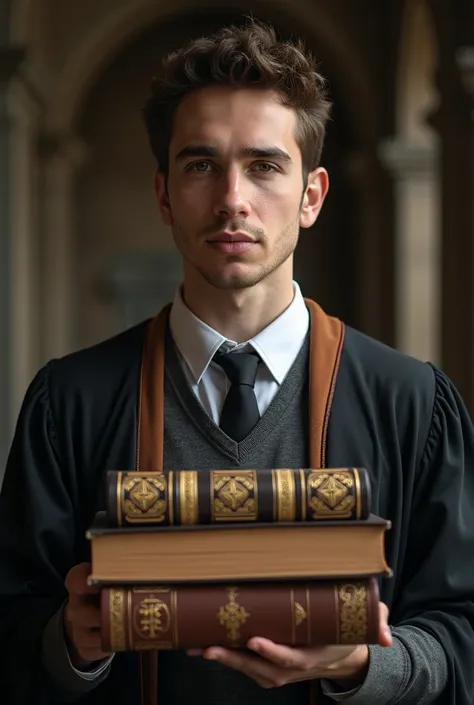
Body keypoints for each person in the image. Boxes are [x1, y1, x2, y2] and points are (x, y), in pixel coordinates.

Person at [0, 17, 474, 705]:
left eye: (264, 165)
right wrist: (70, 642)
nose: (231, 199)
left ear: (311, 195)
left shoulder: (413, 403)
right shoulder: (68, 403)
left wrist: (362, 666)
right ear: (164, 194)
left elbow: (463, 635)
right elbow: (11, 636)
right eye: (201, 164)